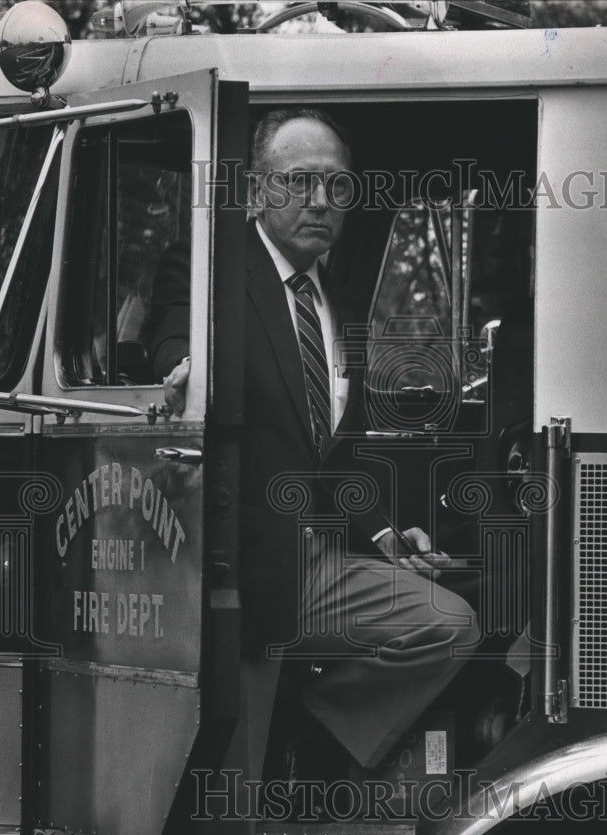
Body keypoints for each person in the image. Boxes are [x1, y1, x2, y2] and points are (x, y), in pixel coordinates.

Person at [155, 107, 482, 771]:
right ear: (256, 190)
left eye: (336, 187)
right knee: (229, 807)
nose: (320, 201)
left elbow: (323, 449)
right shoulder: (207, 270)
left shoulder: (330, 295)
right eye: (299, 181)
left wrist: (388, 536)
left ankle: (317, 741)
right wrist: (178, 372)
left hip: (314, 561)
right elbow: (171, 342)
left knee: (449, 626)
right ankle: (271, 768)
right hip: (234, 568)